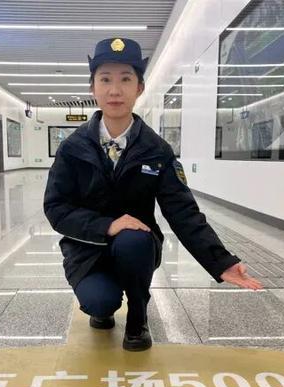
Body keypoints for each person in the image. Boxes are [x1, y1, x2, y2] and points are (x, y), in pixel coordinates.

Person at [44, 37, 263, 352]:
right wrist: (107, 225)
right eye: (105, 80)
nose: (115, 90)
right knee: (99, 302)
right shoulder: (72, 148)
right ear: (92, 88)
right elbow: (56, 208)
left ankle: (138, 316)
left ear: (140, 88)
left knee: (133, 239)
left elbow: (183, 212)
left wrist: (220, 262)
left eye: (125, 79)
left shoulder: (156, 149)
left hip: (137, 247)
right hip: (87, 249)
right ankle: (102, 306)